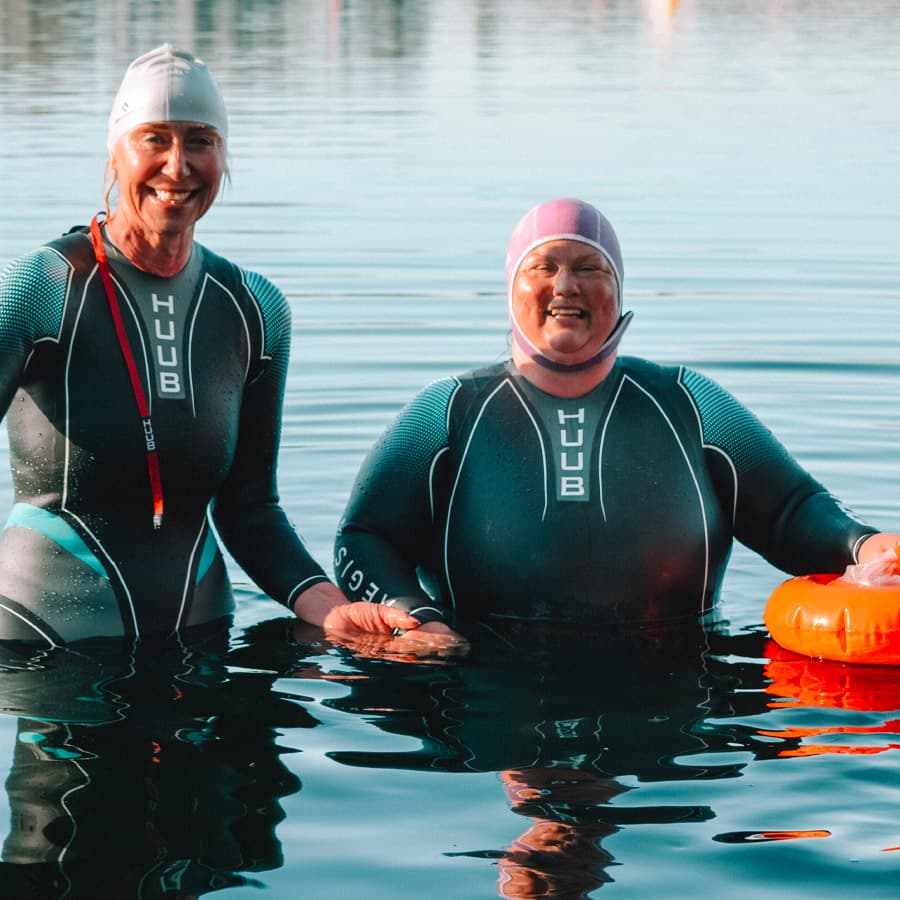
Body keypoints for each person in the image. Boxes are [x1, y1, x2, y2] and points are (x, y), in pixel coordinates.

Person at [334, 197, 899, 646]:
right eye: (543, 267)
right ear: (511, 288)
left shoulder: (688, 403)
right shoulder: (447, 412)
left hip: (680, 691)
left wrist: (867, 546)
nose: (565, 286)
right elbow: (363, 538)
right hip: (481, 688)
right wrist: (415, 619)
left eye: (588, 267)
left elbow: (791, 511)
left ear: (618, 288)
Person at [0, 44, 416, 645]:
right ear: (115, 153)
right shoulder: (39, 289)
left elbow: (250, 508)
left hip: (204, 641)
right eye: (154, 139)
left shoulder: (253, 308)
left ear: (223, 156)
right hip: (41, 646)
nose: (177, 167)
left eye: (199, 141)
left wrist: (333, 610)